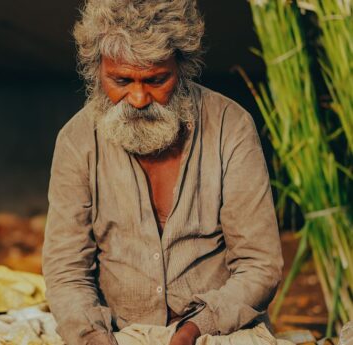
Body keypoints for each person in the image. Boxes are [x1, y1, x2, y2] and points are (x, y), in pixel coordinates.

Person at [42, 1, 284, 345]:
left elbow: (261, 266)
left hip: (218, 332)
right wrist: (93, 337)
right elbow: (66, 271)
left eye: (156, 80)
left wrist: (195, 330)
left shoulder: (231, 127)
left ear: (182, 69)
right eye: (121, 80)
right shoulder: (76, 141)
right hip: (118, 334)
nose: (139, 98)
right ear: (96, 72)